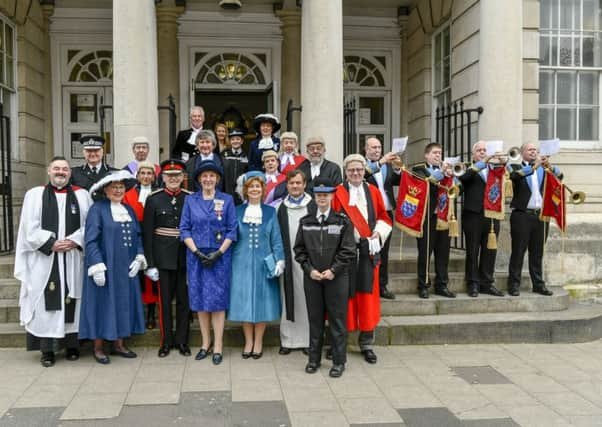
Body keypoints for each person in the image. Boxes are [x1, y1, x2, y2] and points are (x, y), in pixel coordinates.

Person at [14, 157, 92, 367]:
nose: (61, 172)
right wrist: (51, 243)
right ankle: (47, 350)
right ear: (48, 171)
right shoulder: (35, 195)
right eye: (56, 168)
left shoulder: (82, 195)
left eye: (65, 169)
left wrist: (74, 241)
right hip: (45, 259)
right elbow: (28, 228)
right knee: (44, 303)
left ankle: (73, 346)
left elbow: (90, 225)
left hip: (73, 257)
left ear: (70, 173)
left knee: (73, 300)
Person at [79, 170, 147, 364]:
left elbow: (138, 235)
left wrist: (139, 256)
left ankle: (119, 344)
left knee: (123, 303)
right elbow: (90, 240)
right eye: (114, 187)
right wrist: (97, 265)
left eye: (121, 187)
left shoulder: (129, 209)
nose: (118, 190)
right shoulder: (97, 210)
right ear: (105, 190)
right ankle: (98, 348)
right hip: (106, 265)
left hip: (126, 267)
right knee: (102, 303)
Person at [332, 154, 392, 365]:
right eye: (351, 170)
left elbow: (385, 217)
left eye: (359, 170)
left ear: (363, 170)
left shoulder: (374, 192)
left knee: (367, 299)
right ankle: (339, 343)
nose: (355, 173)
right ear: (346, 172)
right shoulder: (337, 194)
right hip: (344, 253)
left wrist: (378, 233)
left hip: (368, 252)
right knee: (343, 299)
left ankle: (366, 344)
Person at [294, 177, 355, 378]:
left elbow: (348, 251)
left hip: (336, 279)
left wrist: (333, 270)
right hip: (312, 278)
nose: (322, 198)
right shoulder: (306, 222)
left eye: (325, 194)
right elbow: (299, 250)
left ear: (331, 196)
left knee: (337, 320)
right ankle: (313, 359)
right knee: (315, 320)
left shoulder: (342, 221)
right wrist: (309, 269)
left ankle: (339, 361)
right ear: (314, 196)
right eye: (318, 194)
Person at [181, 161, 237, 365]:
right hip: (196, 257)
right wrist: (195, 251)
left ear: (218, 179)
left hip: (220, 258)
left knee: (218, 302)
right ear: (198, 179)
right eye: (204, 176)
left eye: (212, 176)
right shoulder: (190, 200)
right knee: (200, 301)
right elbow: (184, 228)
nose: (208, 179)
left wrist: (219, 253)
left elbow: (232, 229)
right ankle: (205, 343)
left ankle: (219, 345)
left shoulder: (227, 200)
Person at [228, 172, 285, 359]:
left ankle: (258, 341)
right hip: (241, 262)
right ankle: (248, 341)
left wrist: (280, 260)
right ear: (246, 190)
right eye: (251, 186)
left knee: (262, 302)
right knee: (244, 302)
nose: (254, 189)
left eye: (257, 186)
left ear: (262, 190)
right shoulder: (236, 211)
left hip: (264, 262)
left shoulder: (270, 211)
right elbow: (231, 238)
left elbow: (276, 238)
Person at [143, 160, 192, 357]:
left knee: (183, 302)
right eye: (169, 175)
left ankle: (182, 342)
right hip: (162, 258)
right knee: (164, 303)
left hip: (185, 256)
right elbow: (147, 232)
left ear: (183, 178)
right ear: (162, 177)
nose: (173, 179)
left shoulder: (190, 198)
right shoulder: (154, 199)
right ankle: (165, 342)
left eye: (177, 175)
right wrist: (150, 263)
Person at [507, 143, 563, 297]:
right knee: (518, 251)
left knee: (537, 252)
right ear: (523, 152)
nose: (534, 152)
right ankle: (514, 284)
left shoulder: (543, 169)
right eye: (531, 150)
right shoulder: (514, 166)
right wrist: (534, 166)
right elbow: (514, 177)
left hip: (541, 215)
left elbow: (560, 176)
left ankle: (538, 284)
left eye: (536, 151)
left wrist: (549, 166)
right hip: (522, 215)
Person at [458, 141, 505, 298]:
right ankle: (473, 283)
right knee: (472, 250)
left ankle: (487, 282)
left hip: (492, 214)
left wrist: (503, 162)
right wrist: (481, 164)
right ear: (473, 154)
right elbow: (463, 178)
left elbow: (510, 176)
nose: (483, 152)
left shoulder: (495, 169)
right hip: (473, 215)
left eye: (485, 150)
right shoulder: (467, 167)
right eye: (479, 150)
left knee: (490, 250)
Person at [276, 170, 315, 355]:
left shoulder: (313, 205)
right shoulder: (280, 208)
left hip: (309, 260)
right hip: (288, 260)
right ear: (287, 185)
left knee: (308, 299)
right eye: (292, 183)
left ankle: (308, 340)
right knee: (288, 298)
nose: (295, 186)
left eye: (299, 183)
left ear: (304, 184)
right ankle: (288, 340)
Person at [412, 143, 455, 299]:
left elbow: (456, 190)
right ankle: (423, 285)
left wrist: (452, 177)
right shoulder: (418, 169)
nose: (438, 156)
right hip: (426, 218)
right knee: (425, 253)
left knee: (443, 253)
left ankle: (442, 285)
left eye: (440, 153)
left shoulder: (445, 170)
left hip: (444, 217)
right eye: (435, 153)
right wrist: (441, 173)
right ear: (426, 155)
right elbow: (425, 183)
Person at [123, 162, 160, 329]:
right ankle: (136, 314)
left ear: (154, 176)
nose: (146, 176)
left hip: (154, 239)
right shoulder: (128, 195)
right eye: (142, 173)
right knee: (136, 277)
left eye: (149, 173)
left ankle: (151, 315)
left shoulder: (159, 194)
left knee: (151, 279)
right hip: (134, 239)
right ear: (137, 176)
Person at [364, 137, 402, 300]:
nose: (377, 150)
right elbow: (365, 174)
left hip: (386, 214)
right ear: (366, 149)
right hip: (369, 215)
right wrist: (380, 162)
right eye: (373, 147)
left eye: (379, 147)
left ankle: (382, 286)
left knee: (384, 252)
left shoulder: (387, 166)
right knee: (369, 251)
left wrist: (398, 169)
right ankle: (368, 285)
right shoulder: (362, 165)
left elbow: (397, 181)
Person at [221, 128, 249, 205]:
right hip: (227, 191)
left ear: (242, 141)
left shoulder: (247, 155)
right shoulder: (224, 154)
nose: (235, 141)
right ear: (230, 141)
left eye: (238, 139)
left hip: (241, 193)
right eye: (232, 139)